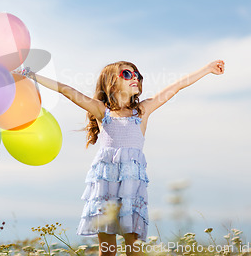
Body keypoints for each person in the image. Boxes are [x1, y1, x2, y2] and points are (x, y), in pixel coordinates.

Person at [19, 59, 225, 256]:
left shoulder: (142, 111)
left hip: (132, 187)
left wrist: (207, 69)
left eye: (137, 74)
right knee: (107, 251)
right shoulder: (102, 111)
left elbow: (177, 86)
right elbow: (65, 89)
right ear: (112, 82)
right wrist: (31, 75)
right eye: (127, 74)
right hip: (105, 186)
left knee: (134, 248)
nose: (134, 77)